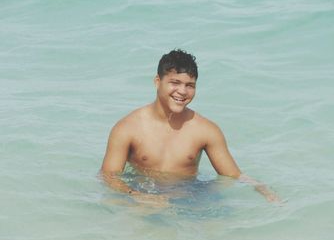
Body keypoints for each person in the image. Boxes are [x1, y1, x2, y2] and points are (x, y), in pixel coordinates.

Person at [101, 49, 280, 205]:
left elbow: (233, 174)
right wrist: (137, 196)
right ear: (157, 81)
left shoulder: (206, 130)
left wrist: (263, 189)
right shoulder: (127, 128)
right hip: (144, 195)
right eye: (175, 83)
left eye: (190, 85)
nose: (182, 91)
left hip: (191, 196)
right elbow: (108, 177)